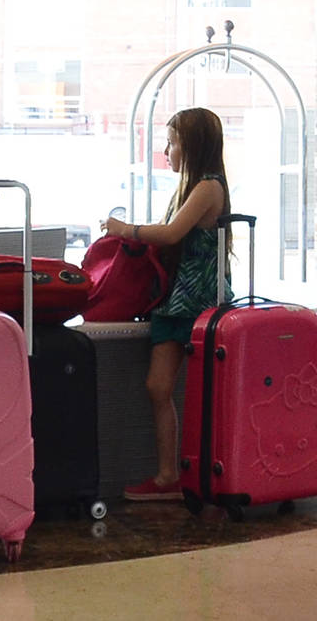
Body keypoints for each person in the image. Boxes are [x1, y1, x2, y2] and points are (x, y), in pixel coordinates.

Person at [99, 106, 233, 501]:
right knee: (158, 386)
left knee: (201, 392)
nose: (166, 151)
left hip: (199, 302)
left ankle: (198, 471)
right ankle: (167, 475)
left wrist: (125, 229)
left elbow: (172, 234)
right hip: (176, 300)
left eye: (172, 142)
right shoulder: (188, 189)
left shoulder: (209, 187)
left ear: (191, 146)